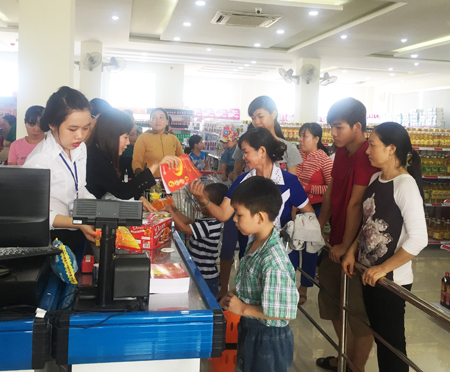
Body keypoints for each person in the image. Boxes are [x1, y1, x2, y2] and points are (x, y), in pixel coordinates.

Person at [342, 122, 427, 372]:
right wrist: (351, 251)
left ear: (391, 149)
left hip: (391, 281)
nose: (367, 150)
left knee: (391, 346)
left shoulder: (405, 186)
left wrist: (383, 268)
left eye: (372, 145)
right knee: (381, 338)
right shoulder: (375, 178)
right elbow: (368, 223)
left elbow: (419, 238)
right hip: (369, 275)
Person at [191, 127, 313, 299]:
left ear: (262, 151)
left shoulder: (289, 181)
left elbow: (309, 215)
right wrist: (204, 201)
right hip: (250, 256)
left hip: (283, 257)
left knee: (277, 305)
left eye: (246, 152)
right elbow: (224, 214)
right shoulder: (242, 181)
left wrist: (295, 233)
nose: (243, 157)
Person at [316, 97, 378, 372]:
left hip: (360, 250)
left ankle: (357, 367)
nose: (333, 133)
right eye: (331, 127)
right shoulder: (340, 153)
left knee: (358, 314)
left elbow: (356, 204)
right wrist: (320, 224)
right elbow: (331, 191)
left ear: (357, 126)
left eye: (338, 127)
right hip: (336, 242)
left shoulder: (368, 156)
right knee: (331, 302)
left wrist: (345, 245)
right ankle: (344, 358)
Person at [220, 176, 299, 372]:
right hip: (251, 330)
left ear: (260, 217)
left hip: (269, 339)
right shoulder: (256, 242)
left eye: (239, 215)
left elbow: (283, 312)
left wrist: (244, 308)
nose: (234, 219)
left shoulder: (274, 260)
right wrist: (237, 294)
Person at [24, 86, 96, 253]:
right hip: (51, 239)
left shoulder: (80, 148)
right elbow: (36, 215)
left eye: (86, 128)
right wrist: (78, 223)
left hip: (78, 230)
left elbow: (80, 188)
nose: (80, 135)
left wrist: (98, 209)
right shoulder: (40, 160)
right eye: (72, 129)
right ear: (53, 124)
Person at [86, 108, 179, 211]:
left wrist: (138, 197)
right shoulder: (97, 159)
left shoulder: (104, 154)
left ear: (167, 121)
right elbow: (122, 191)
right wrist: (155, 165)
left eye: (161, 117)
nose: (128, 143)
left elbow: (117, 187)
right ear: (111, 134)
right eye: (125, 137)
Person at [163, 183, 228, 297]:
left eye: (202, 201)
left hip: (206, 277)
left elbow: (184, 228)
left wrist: (170, 211)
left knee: (207, 305)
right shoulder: (206, 220)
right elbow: (188, 222)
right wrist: (175, 210)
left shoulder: (210, 225)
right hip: (200, 273)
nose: (199, 203)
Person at [296, 123, 333, 305]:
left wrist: (308, 188)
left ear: (316, 139)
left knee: (310, 250)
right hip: (296, 208)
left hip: (315, 209)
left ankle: (303, 288)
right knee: (292, 247)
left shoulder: (324, 160)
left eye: (305, 136)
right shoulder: (296, 156)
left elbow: (330, 188)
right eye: (300, 136)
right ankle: (288, 282)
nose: (301, 140)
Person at [231, 96, 302, 180]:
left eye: (260, 117)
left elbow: (292, 181)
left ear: (274, 114)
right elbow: (235, 173)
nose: (256, 122)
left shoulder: (289, 149)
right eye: (253, 118)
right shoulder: (245, 145)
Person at [132, 108, 183, 178]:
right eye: (154, 117)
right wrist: (142, 178)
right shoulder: (143, 138)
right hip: (152, 181)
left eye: (161, 117)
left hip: (172, 181)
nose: (157, 120)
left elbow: (182, 159)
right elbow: (136, 162)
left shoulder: (173, 139)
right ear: (150, 122)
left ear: (167, 121)